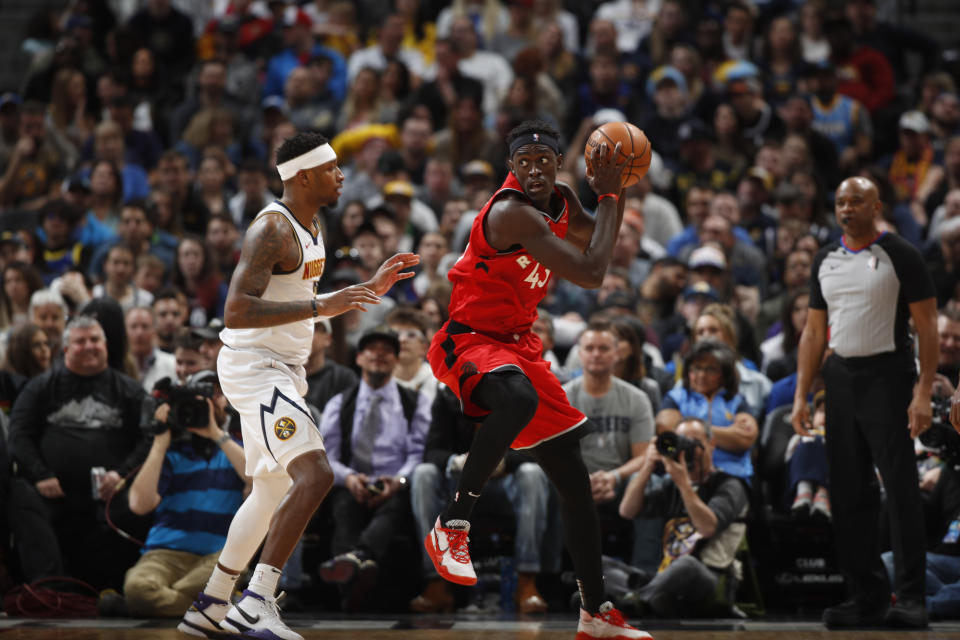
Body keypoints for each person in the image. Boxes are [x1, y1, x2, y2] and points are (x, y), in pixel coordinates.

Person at [178, 132, 418, 640]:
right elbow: (237, 311)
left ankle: (211, 606)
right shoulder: (271, 229)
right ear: (303, 176)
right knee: (316, 474)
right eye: (332, 168)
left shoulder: (316, 222)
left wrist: (366, 290)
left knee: (272, 490)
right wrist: (321, 307)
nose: (341, 175)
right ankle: (257, 601)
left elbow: (299, 291)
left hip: (283, 368)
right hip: (254, 365)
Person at [423, 119, 650, 639]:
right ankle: (453, 523)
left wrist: (609, 198)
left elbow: (598, 242)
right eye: (523, 163)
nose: (533, 171)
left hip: (519, 345)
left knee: (573, 481)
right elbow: (593, 274)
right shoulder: (510, 213)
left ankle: (595, 613)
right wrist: (613, 191)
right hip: (470, 339)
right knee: (517, 401)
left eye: (543, 161)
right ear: (510, 169)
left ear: (557, 164)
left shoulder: (561, 202)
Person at [792, 176, 937, 630]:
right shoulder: (825, 260)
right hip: (840, 378)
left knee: (899, 487)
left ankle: (911, 597)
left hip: (889, 375)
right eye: (840, 202)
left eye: (856, 201)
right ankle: (867, 596)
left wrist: (923, 392)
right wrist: (801, 393)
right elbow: (814, 332)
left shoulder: (901, 255)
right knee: (850, 490)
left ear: (876, 206)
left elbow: (928, 328)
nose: (847, 208)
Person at [7, 316, 149, 588]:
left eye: (95, 340)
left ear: (106, 346)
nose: (89, 346)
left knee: (143, 497)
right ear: (65, 350)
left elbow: (149, 439)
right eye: (80, 341)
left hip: (113, 492)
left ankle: (120, 587)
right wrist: (40, 475)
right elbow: (18, 435)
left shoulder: (129, 390)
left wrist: (122, 474)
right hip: (53, 492)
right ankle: (48, 587)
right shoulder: (40, 388)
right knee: (18, 493)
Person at [317, 326, 429, 610]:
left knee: (396, 505)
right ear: (359, 358)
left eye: (387, 350)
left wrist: (399, 480)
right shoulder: (339, 403)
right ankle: (354, 577)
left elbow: (419, 454)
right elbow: (326, 457)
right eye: (372, 349)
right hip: (353, 482)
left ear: (395, 359)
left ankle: (354, 564)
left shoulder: (415, 402)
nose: (379, 354)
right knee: (343, 507)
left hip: (396, 485)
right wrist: (349, 478)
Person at [123, 370, 247, 617]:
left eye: (215, 397)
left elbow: (257, 479)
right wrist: (159, 444)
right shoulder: (170, 454)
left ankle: (176, 603)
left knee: (220, 576)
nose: (205, 408)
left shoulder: (237, 449)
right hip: (164, 554)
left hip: (218, 555)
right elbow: (138, 504)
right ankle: (213, 607)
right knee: (137, 588)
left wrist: (215, 433)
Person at [618, 417, 750, 617]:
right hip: (666, 576)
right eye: (681, 442)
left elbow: (707, 527)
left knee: (686, 565)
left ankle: (624, 602)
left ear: (711, 444)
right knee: (603, 565)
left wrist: (683, 483)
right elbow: (627, 511)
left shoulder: (730, 485)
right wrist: (647, 466)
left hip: (712, 580)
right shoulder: (671, 486)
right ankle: (645, 600)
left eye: (693, 443)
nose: (686, 449)